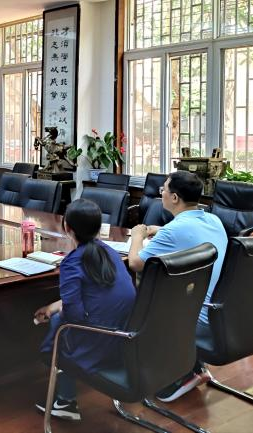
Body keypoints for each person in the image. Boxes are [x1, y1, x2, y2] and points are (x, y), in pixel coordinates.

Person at [128, 170, 228, 402]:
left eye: (163, 189)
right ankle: (193, 365)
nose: (160, 193)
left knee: (141, 301)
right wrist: (159, 230)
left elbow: (135, 263)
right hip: (221, 312)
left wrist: (137, 235)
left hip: (197, 318)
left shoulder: (175, 231)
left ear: (174, 198)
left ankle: (179, 375)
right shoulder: (213, 219)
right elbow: (184, 232)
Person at [34, 199, 136, 421]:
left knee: (57, 325)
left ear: (67, 227)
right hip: (127, 339)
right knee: (58, 317)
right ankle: (65, 398)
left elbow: (74, 316)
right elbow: (97, 296)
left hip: (98, 343)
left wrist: (57, 311)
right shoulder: (110, 252)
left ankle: (66, 401)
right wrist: (55, 305)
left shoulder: (72, 263)